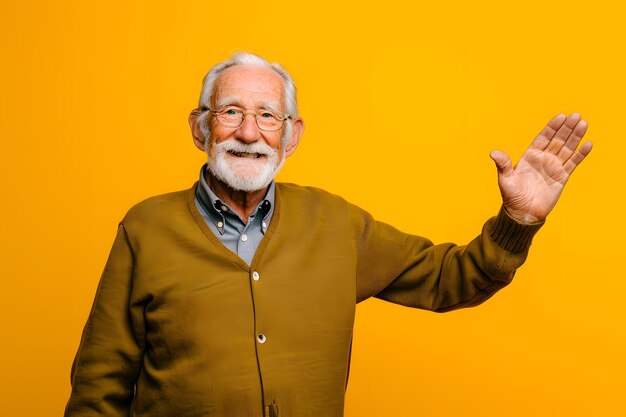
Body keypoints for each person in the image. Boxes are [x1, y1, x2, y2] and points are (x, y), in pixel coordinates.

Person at [64, 52, 592, 417]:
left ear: (291, 136)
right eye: (231, 112)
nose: (249, 132)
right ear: (200, 127)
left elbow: (449, 279)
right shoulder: (146, 227)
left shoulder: (337, 224)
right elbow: (99, 384)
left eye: (268, 116)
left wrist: (519, 219)